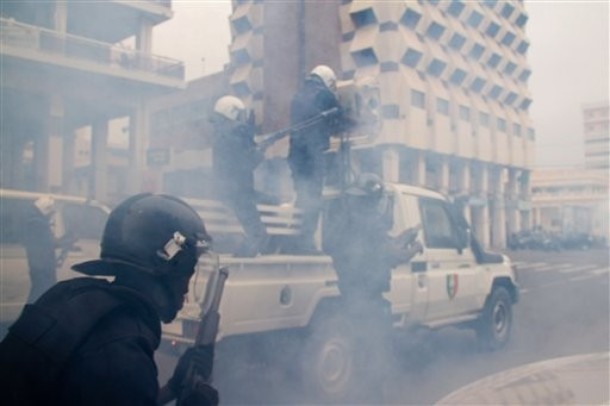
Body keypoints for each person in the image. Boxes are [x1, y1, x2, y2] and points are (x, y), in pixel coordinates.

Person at [0, 193, 218, 405]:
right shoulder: (123, 354)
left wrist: (172, 388)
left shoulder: (71, 297)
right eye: (188, 271)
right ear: (167, 268)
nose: (187, 288)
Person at [325, 173, 423, 398]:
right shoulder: (369, 223)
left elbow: (381, 247)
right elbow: (393, 255)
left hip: (352, 299)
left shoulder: (347, 224)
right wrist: (414, 247)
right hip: (368, 302)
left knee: (359, 354)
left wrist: (406, 235)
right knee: (376, 357)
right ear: (374, 199)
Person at [287, 65, 344, 254]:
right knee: (313, 199)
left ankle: (294, 240)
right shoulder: (324, 95)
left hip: (296, 156)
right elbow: (339, 121)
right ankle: (305, 243)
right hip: (313, 154)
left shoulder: (298, 96)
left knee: (302, 197)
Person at [211, 95, 270, 257]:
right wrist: (261, 151)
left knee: (256, 232)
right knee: (257, 233)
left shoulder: (222, 133)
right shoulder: (235, 133)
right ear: (232, 112)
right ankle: (242, 258)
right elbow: (246, 164)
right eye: (239, 114)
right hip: (239, 191)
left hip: (230, 190)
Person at [22, 196, 59, 303]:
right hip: (43, 269)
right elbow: (45, 245)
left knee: (40, 294)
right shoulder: (38, 224)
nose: (51, 214)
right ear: (45, 209)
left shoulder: (35, 222)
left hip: (40, 268)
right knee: (40, 295)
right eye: (50, 211)